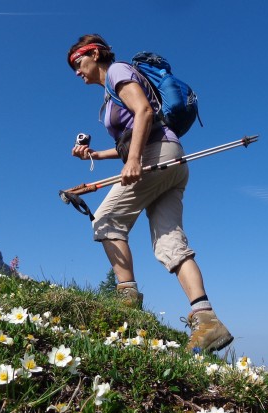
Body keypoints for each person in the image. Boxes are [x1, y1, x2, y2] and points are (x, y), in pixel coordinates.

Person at [67, 34, 233, 353]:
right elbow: (130, 138)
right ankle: (207, 320)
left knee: (106, 221)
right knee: (170, 242)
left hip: (156, 156)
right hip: (172, 159)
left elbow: (143, 112)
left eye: (78, 62)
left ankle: (127, 299)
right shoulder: (109, 92)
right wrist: (93, 156)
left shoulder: (117, 71)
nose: (76, 71)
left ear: (95, 54)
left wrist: (133, 160)